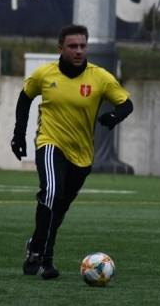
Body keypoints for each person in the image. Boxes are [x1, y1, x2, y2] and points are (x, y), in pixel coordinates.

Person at [10, 24, 133, 279]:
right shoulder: (45, 74)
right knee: (51, 193)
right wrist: (19, 135)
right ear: (61, 48)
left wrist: (114, 117)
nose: (79, 51)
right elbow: (25, 97)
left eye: (82, 46)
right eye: (73, 46)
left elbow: (126, 104)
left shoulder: (100, 77)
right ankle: (44, 259)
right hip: (50, 143)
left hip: (82, 154)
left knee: (59, 207)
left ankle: (35, 245)